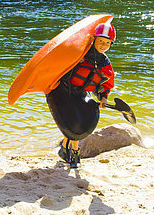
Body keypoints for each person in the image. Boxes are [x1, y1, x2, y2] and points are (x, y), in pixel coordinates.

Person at [47, 22, 116, 168]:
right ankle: (75, 153)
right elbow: (61, 65)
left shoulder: (104, 63)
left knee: (80, 121)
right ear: (94, 39)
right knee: (71, 121)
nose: (103, 45)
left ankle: (65, 147)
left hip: (81, 93)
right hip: (64, 90)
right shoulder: (80, 53)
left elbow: (106, 84)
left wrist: (104, 98)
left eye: (107, 43)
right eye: (101, 41)